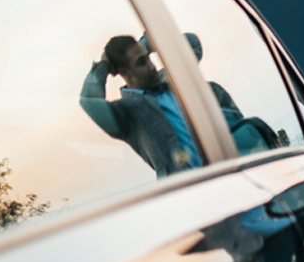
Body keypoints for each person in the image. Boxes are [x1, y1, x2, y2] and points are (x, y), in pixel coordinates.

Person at [81, 33, 288, 175]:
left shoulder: (171, 79)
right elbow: (89, 102)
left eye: (148, 59)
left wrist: (147, 43)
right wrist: (104, 65)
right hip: (197, 196)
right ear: (124, 73)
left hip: (240, 170)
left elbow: (193, 45)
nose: (152, 66)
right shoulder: (126, 114)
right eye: (141, 63)